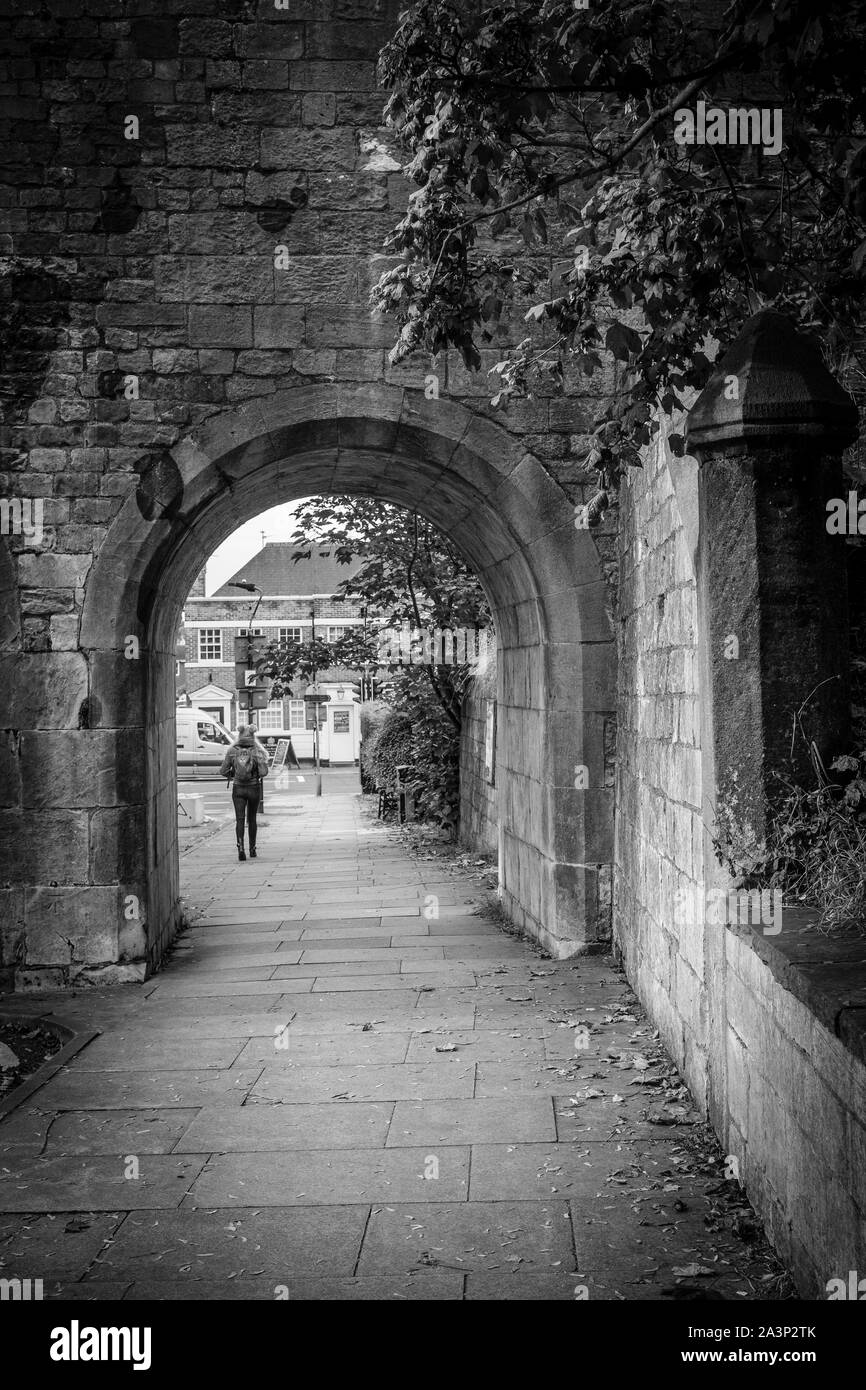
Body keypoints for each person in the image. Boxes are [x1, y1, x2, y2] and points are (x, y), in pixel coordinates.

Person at [220, 725, 269, 861]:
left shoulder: (232, 750)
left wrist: (234, 774)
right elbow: (264, 772)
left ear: (239, 735)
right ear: (253, 736)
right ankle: (252, 849)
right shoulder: (257, 750)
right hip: (254, 788)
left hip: (238, 788)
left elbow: (223, 771)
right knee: (252, 819)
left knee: (240, 819)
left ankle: (240, 848)